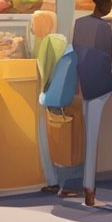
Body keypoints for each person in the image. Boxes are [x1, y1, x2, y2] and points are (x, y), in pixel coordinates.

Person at [70, 0, 112, 208]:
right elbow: (107, 59)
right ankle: (89, 190)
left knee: (88, 137)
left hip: (83, 85)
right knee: (93, 139)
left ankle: (87, 188)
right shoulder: (104, 28)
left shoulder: (79, 24)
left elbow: (77, 54)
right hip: (100, 86)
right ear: (105, 2)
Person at [32, 10, 69, 196]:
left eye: (35, 23)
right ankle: (60, 180)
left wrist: (44, 93)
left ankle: (55, 180)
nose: (32, 27)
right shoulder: (58, 39)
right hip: (60, 95)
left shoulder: (47, 42)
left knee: (49, 140)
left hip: (49, 96)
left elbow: (45, 71)